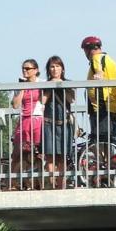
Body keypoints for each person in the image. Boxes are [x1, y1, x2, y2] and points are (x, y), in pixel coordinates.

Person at [81, 36, 116, 185]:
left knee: (100, 141)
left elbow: (98, 71)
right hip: (112, 106)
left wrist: (98, 76)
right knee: (107, 141)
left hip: (101, 106)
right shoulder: (111, 60)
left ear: (88, 49)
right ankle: (108, 175)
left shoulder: (97, 58)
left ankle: (105, 174)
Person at [10, 59, 44, 190]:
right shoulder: (21, 85)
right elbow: (15, 105)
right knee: (18, 154)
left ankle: (38, 183)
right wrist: (23, 88)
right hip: (24, 120)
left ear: (35, 70)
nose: (25, 71)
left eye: (28, 68)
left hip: (38, 120)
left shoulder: (42, 84)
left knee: (38, 155)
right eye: (23, 68)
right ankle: (14, 183)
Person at [42, 55, 74, 190]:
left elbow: (71, 100)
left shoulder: (69, 83)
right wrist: (51, 86)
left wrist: (61, 84)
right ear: (48, 69)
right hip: (49, 123)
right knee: (50, 157)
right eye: (52, 66)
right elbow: (42, 101)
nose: (55, 69)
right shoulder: (45, 84)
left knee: (62, 157)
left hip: (64, 123)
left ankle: (62, 186)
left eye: (58, 66)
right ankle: (51, 185)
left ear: (62, 68)